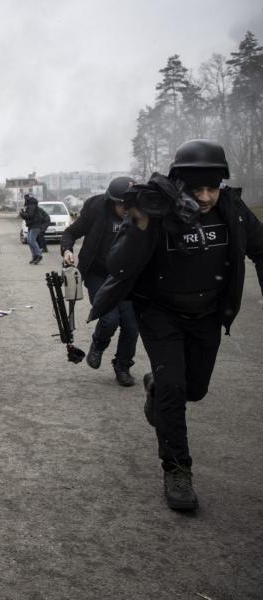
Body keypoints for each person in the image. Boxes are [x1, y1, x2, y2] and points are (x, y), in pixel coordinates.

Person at [91, 139, 263, 512]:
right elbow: (118, 266)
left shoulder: (231, 210)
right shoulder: (156, 211)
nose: (204, 197)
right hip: (161, 314)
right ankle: (177, 469)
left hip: (207, 315)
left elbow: (261, 249)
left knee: (194, 390)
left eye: (212, 188)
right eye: (196, 189)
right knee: (174, 388)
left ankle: (154, 388)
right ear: (179, 184)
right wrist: (139, 224)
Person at [60, 176, 139, 387]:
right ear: (112, 201)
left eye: (128, 204)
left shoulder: (141, 215)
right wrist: (67, 250)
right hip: (98, 274)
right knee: (110, 319)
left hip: (126, 277)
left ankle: (122, 366)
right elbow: (70, 233)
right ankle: (98, 345)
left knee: (131, 325)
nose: (124, 209)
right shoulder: (96, 209)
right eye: (120, 204)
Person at [20, 194, 50, 264]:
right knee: (29, 241)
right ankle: (34, 256)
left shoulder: (31, 206)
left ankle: (38, 255)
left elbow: (30, 215)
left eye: (25, 199)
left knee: (32, 241)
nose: (24, 201)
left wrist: (22, 214)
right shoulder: (32, 205)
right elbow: (30, 215)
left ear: (27, 199)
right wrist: (24, 213)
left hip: (35, 226)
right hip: (32, 226)